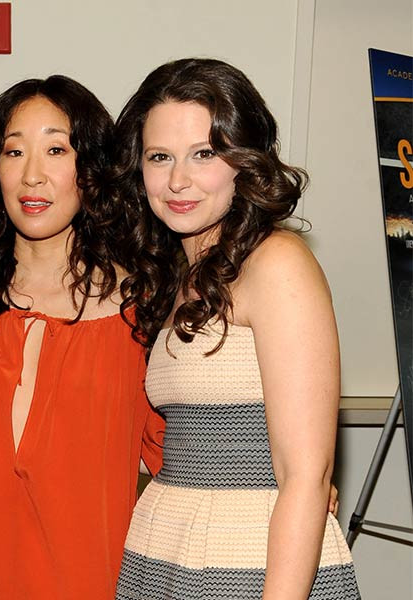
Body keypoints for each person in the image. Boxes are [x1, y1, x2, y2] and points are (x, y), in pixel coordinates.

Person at [113, 58, 360, 599]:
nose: (178, 180)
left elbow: (305, 478)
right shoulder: (178, 277)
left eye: (204, 154)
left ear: (243, 162)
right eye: (160, 157)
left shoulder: (278, 264)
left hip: (248, 562)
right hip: (170, 551)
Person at [0, 75, 166, 599]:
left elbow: (186, 458)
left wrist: (292, 474)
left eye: (57, 149)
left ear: (92, 170)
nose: (32, 175)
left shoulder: (144, 313)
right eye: (14, 151)